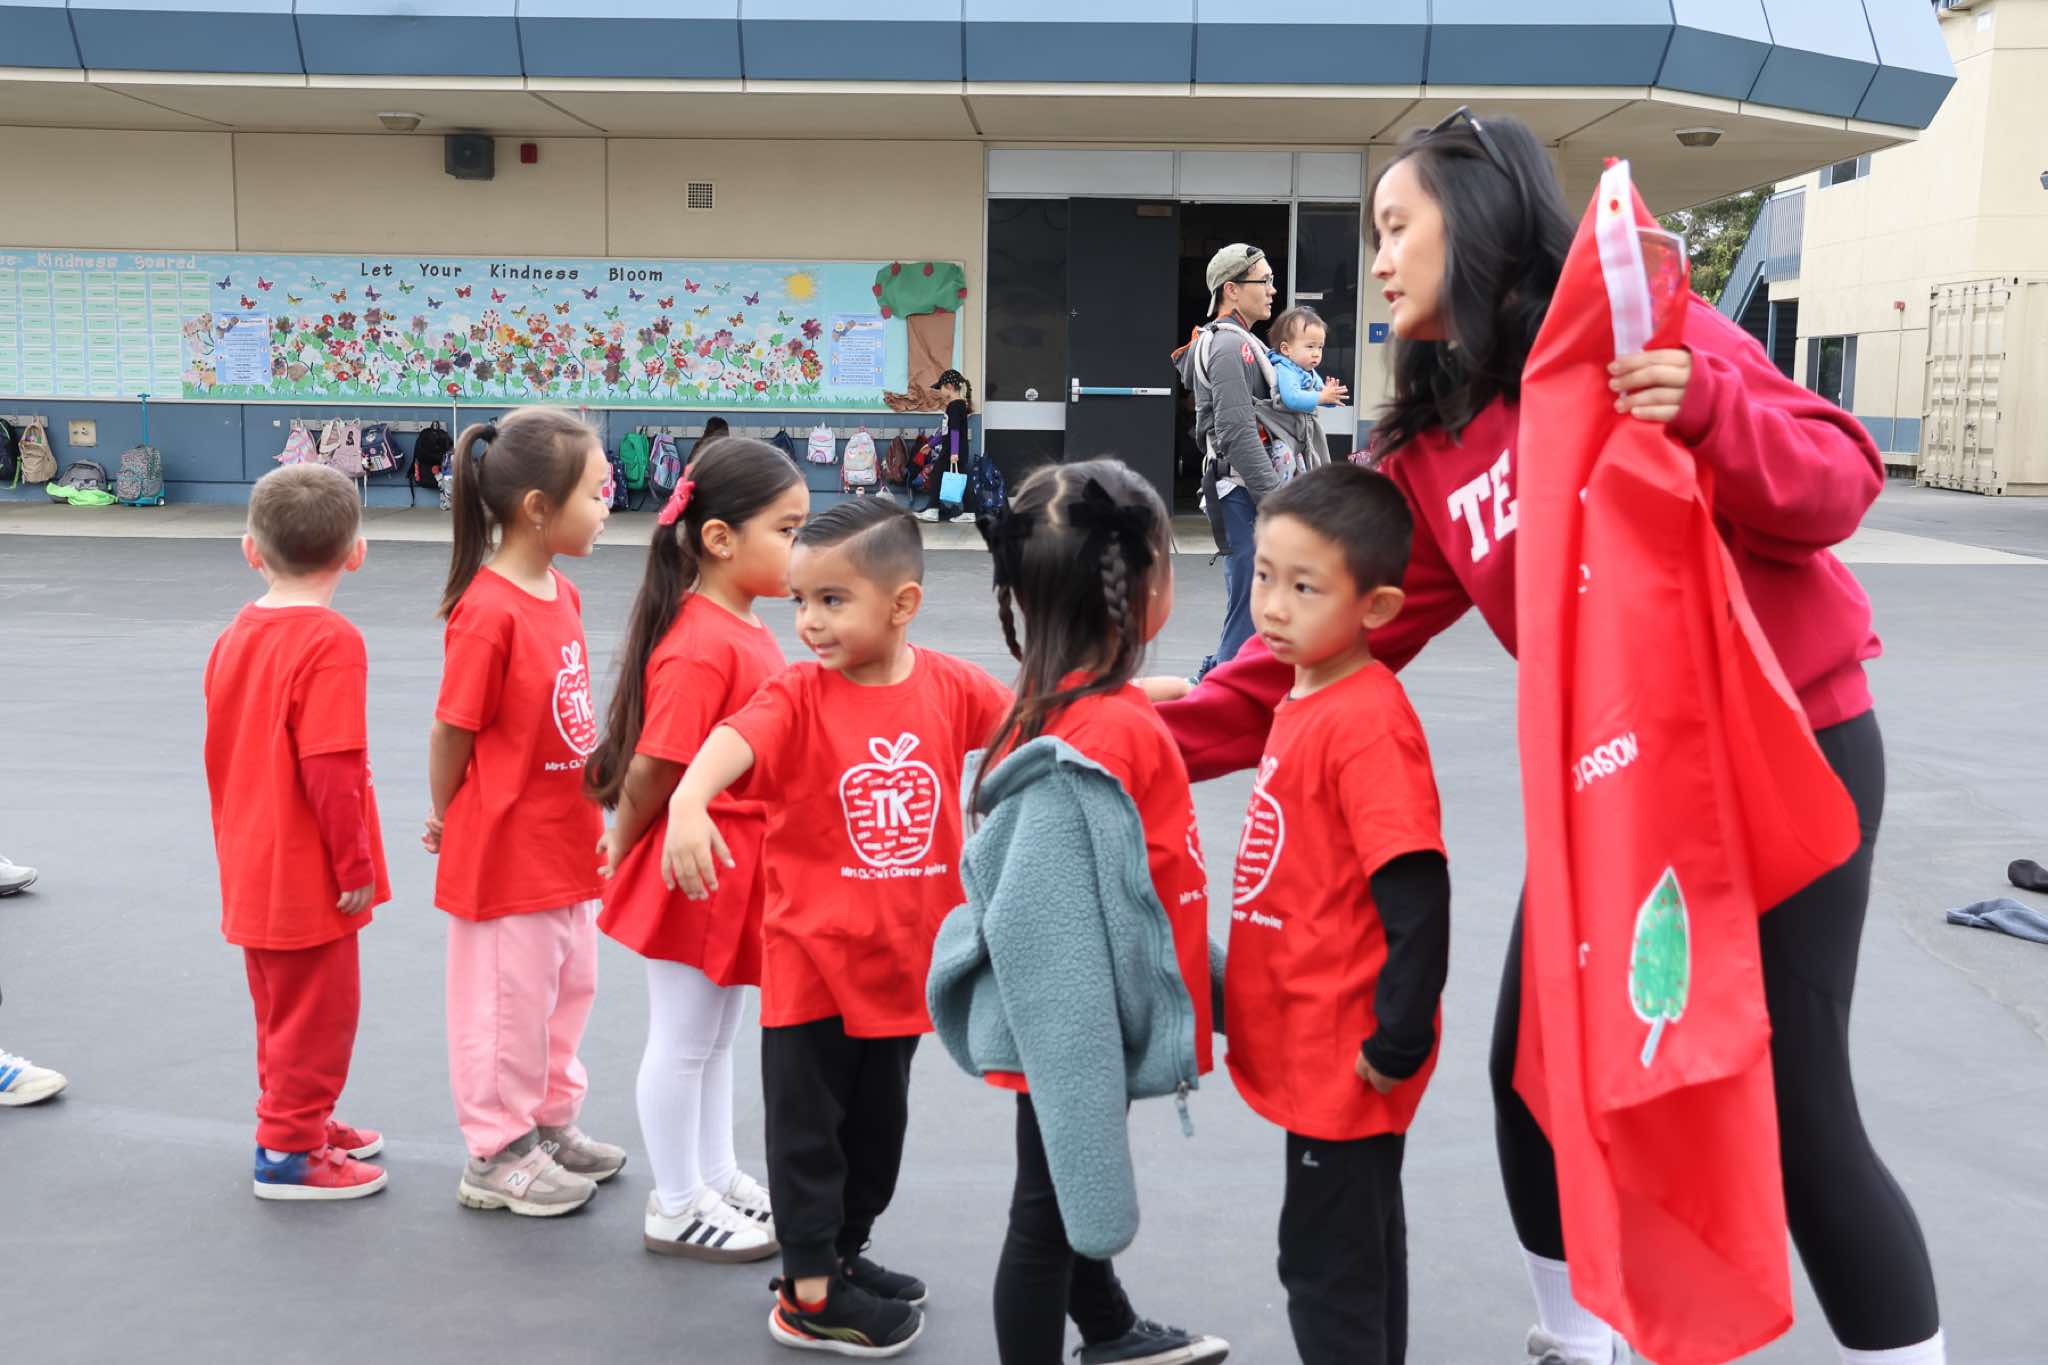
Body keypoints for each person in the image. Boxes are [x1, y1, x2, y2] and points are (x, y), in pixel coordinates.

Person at [1156, 111, 1944, 1365]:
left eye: (1396, 228)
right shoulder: (1428, 450)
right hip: (1619, 790)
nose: (1378, 261)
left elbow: (1836, 482)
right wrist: (1130, 733)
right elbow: (1321, 641)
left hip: (1786, 749)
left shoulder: (1636, 329)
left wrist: (1704, 409)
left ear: (1474, 221)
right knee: (1534, 1077)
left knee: (1799, 1108)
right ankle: (1577, 1343)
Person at [662, 497, 1009, 1357]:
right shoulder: (798, 694)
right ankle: (809, 1290)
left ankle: (845, 1250)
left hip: (902, 963)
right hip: (812, 963)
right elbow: (731, 742)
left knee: (876, 1131)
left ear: (902, 604)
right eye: (800, 601)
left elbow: (1030, 721)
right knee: (809, 1131)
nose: (809, 622)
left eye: (831, 600)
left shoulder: (949, 685)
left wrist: (1120, 707)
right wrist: (689, 800)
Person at [926, 458, 1230, 1365]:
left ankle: (1106, 1325)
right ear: (1140, 586)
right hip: (1069, 1029)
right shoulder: (1104, 737)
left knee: (1053, 1194)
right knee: (1050, 1211)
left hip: (1080, 1015)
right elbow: (1051, 942)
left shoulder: (1068, 707)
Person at [1225, 464, 1450, 1364]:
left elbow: (1417, 888)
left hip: (1346, 1053)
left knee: (1325, 1268)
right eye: (1265, 576)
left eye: (1304, 587)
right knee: (1361, 1250)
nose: (1273, 606)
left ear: (1378, 607)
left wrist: (1397, 1037)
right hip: (1313, 1038)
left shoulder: (1365, 722)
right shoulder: (1305, 691)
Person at [587, 438, 809, 1262]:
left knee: (714, 1040)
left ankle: (714, 1175)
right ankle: (677, 1202)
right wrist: (621, 840)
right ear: (720, 538)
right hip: (693, 866)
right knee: (683, 1041)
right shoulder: (701, 640)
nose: (800, 549)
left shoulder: (738, 625)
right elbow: (656, 765)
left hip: (730, 864)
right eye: (787, 530)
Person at [428, 406, 627, 1218]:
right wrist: (449, 813)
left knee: (566, 990)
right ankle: (495, 1149)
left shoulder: (560, 592)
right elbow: (452, 730)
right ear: (539, 508)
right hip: (507, 850)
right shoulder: (488, 611)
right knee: (506, 1008)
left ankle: (547, 1121)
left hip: (564, 839)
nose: (609, 505)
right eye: (597, 491)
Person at [202, 463, 390, 1200]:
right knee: (320, 1017)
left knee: (282, 1012)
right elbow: (330, 767)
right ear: (356, 553)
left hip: (253, 860)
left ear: (252, 551)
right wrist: (354, 864)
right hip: (308, 870)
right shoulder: (331, 641)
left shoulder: (235, 635)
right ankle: (288, 1148)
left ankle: (300, 1117)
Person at [1171, 243, 1281, 679]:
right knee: (1252, 599)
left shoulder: (1235, 342)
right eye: (1264, 280)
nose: (1272, 290)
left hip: (1241, 489)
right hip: (1242, 491)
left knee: (1255, 599)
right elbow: (1236, 432)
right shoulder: (1232, 347)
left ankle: (1217, 683)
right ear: (1231, 290)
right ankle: (1217, 689)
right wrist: (1277, 500)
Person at [1262, 305, 1348, 480]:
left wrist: (1330, 396)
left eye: (1320, 347)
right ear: (1286, 349)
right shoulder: (1285, 369)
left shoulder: (1307, 371)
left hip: (1300, 435)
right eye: (1310, 346)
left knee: (1309, 471)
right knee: (1291, 466)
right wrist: (1321, 396)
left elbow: (1319, 397)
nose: (1316, 354)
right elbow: (1292, 398)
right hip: (1284, 432)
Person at [916, 369, 974, 523]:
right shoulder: (958, 405)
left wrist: (954, 452)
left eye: (940, 388)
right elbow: (945, 431)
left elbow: (954, 431)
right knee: (958, 478)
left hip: (952, 451)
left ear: (949, 386)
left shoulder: (954, 406)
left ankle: (933, 510)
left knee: (937, 475)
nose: (939, 392)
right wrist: (930, 444)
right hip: (955, 450)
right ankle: (968, 511)